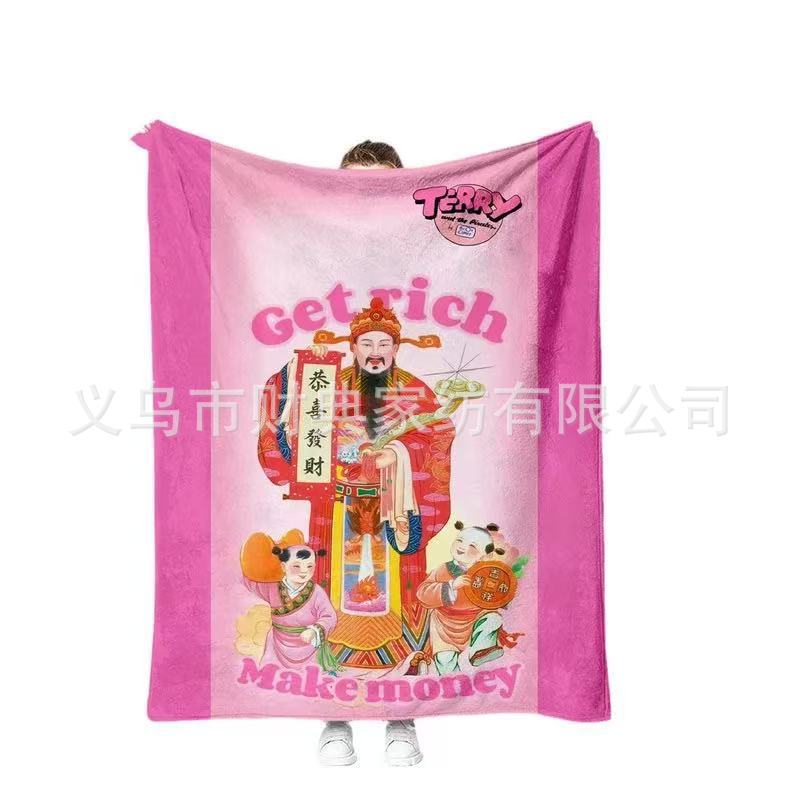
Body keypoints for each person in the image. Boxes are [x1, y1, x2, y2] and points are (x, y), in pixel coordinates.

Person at [315, 140, 422, 767]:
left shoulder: (426, 252)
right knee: (330, 592)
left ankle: (403, 713)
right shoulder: (316, 250)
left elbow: (438, 432)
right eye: (356, 185)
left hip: (392, 507)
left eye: (383, 185)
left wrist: (401, 459)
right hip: (337, 505)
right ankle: (331, 712)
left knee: (398, 592)